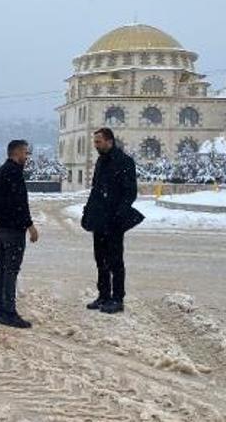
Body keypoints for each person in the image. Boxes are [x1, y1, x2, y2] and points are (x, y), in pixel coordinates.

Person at [81, 128, 144, 314]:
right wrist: (88, 212)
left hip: (114, 221)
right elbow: (96, 190)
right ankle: (103, 295)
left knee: (115, 261)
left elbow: (130, 192)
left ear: (109, 141)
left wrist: (118, 214)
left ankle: (117, 298)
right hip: (99, 219)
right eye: (95, 142)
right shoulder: (101, 161)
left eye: (98, 142)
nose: (96, 145)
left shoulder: (124, 162)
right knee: (100, 259)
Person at [0, 140, 39, 328]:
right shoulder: (14, 172)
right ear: (16, 153)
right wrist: (30, 225)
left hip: (2, 227)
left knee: (1, 267)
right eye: (25, 153)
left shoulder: (2, 171)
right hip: (13, 229)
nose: (27, 157)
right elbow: (19, 203)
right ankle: (8, 311)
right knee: (11, 269)